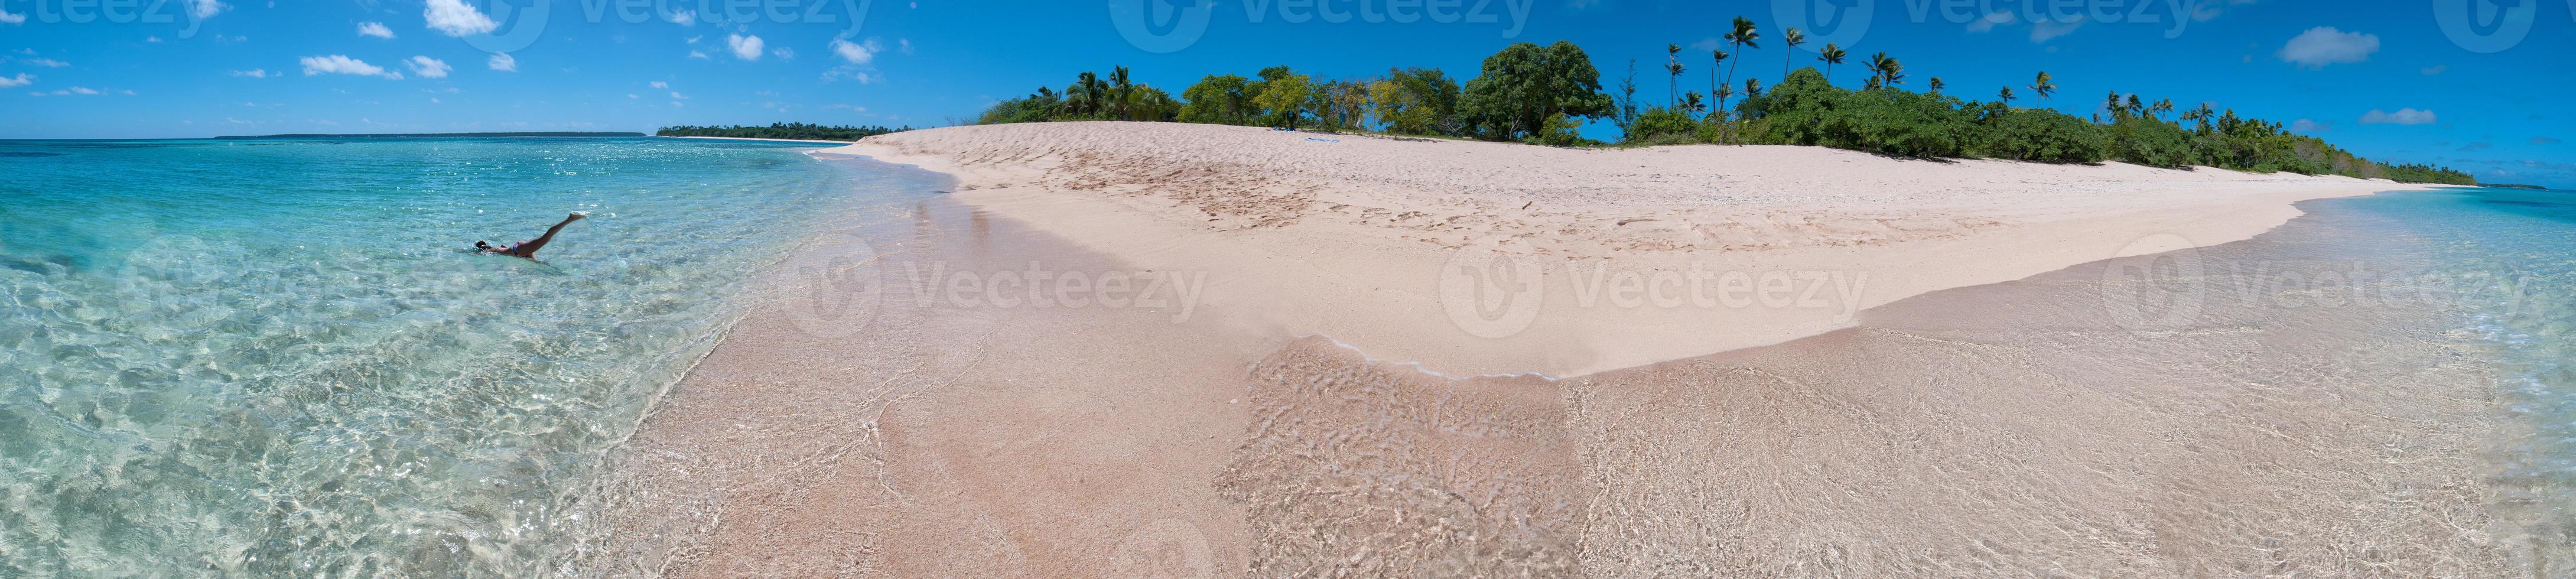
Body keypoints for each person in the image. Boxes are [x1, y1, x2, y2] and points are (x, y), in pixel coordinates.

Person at [477, 212, 586, 259]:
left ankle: (570, 219)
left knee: (546, 237)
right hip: (520, 251)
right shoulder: (494, 250)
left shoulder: (488, 251)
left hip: (519, 251)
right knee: (539, 264)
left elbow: (484, 251)